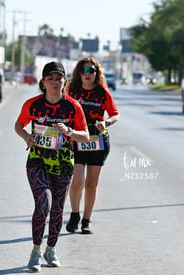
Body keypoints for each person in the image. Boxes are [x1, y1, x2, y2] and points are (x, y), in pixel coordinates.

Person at [14, 61, 89, 272]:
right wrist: (27, 136)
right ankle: (36, 251)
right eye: (51, 79)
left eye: (59, 79)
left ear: (65, 82)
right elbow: (18, 125)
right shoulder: (33, 104)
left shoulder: (73, 106)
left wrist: (69, 132)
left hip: (64, 162)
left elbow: (85, 136)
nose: (55, 82)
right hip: (38, 161)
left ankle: (51, 248)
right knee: (43, 204)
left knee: (57, 209)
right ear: (43, 82)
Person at [66, 57, 120, 234]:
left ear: (97, 74)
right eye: (84, 71)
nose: (88, 74)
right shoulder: (72, 90)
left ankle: (86, 220)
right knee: (77, 182)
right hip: (77, 140)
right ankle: (75, 213)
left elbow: (114, 114)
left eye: (92, 71)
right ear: (79, 73)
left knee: (92, 183)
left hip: (98, 141)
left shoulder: (102, 92)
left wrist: (106, 123)